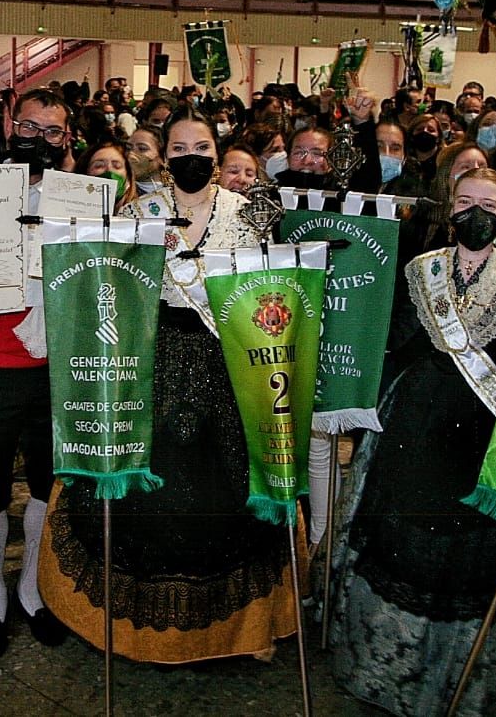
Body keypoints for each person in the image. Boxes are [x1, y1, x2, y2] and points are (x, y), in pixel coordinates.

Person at [39, 108, 303, 662]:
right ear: (163, 156)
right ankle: (134, 628)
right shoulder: (140, 211)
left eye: (201, 147)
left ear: (217, 150)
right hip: (154, 359)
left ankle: (240, 628)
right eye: (179, 148)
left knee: (229, 489)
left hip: (231, 361)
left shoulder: (250, 214)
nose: (192, 157)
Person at [328, 168, 496, 715]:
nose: (476, 214)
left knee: (476, 553)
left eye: (488, 204)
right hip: (414, 430)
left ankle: (470, 683)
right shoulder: (422, 271)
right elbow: (391, 342)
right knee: (407, 541)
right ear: (450, 212)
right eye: (465, 201)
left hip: (489, 435)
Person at [0, 88, 73, 660]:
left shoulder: (84, 195)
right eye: (30, 127)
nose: (40, 140)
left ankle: (31, 585)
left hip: (58, 359)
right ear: (9, 123)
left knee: (49, 480)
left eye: (53, 132)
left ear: (66, 137)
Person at [75, 141, 138, 211]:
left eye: (117, 166)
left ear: (128, 177)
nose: (109, 169)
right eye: (99, 166)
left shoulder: (144, 213)